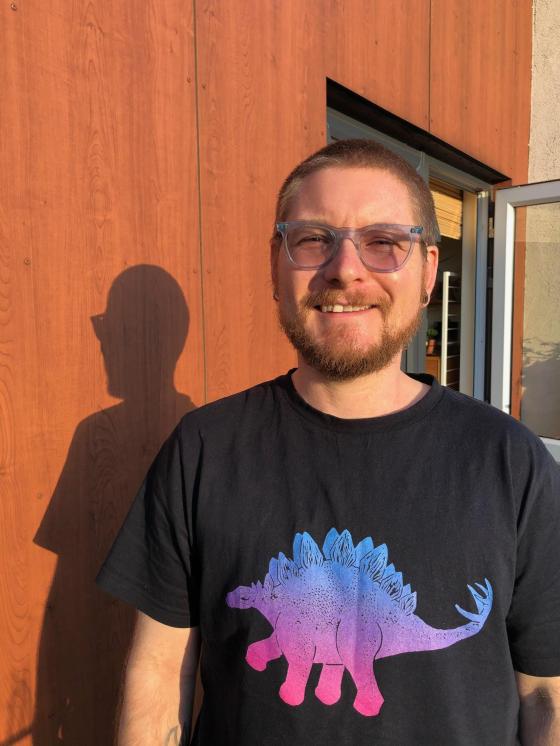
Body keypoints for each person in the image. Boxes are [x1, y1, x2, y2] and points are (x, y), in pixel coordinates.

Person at [97, 139, 560, 745]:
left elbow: (546, 692)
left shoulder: (511, 460)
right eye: (314, 239)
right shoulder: (203, 450)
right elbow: (160, 672)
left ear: (427, 271)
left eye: (384, 242)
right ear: (275, 266)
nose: (346, 269)